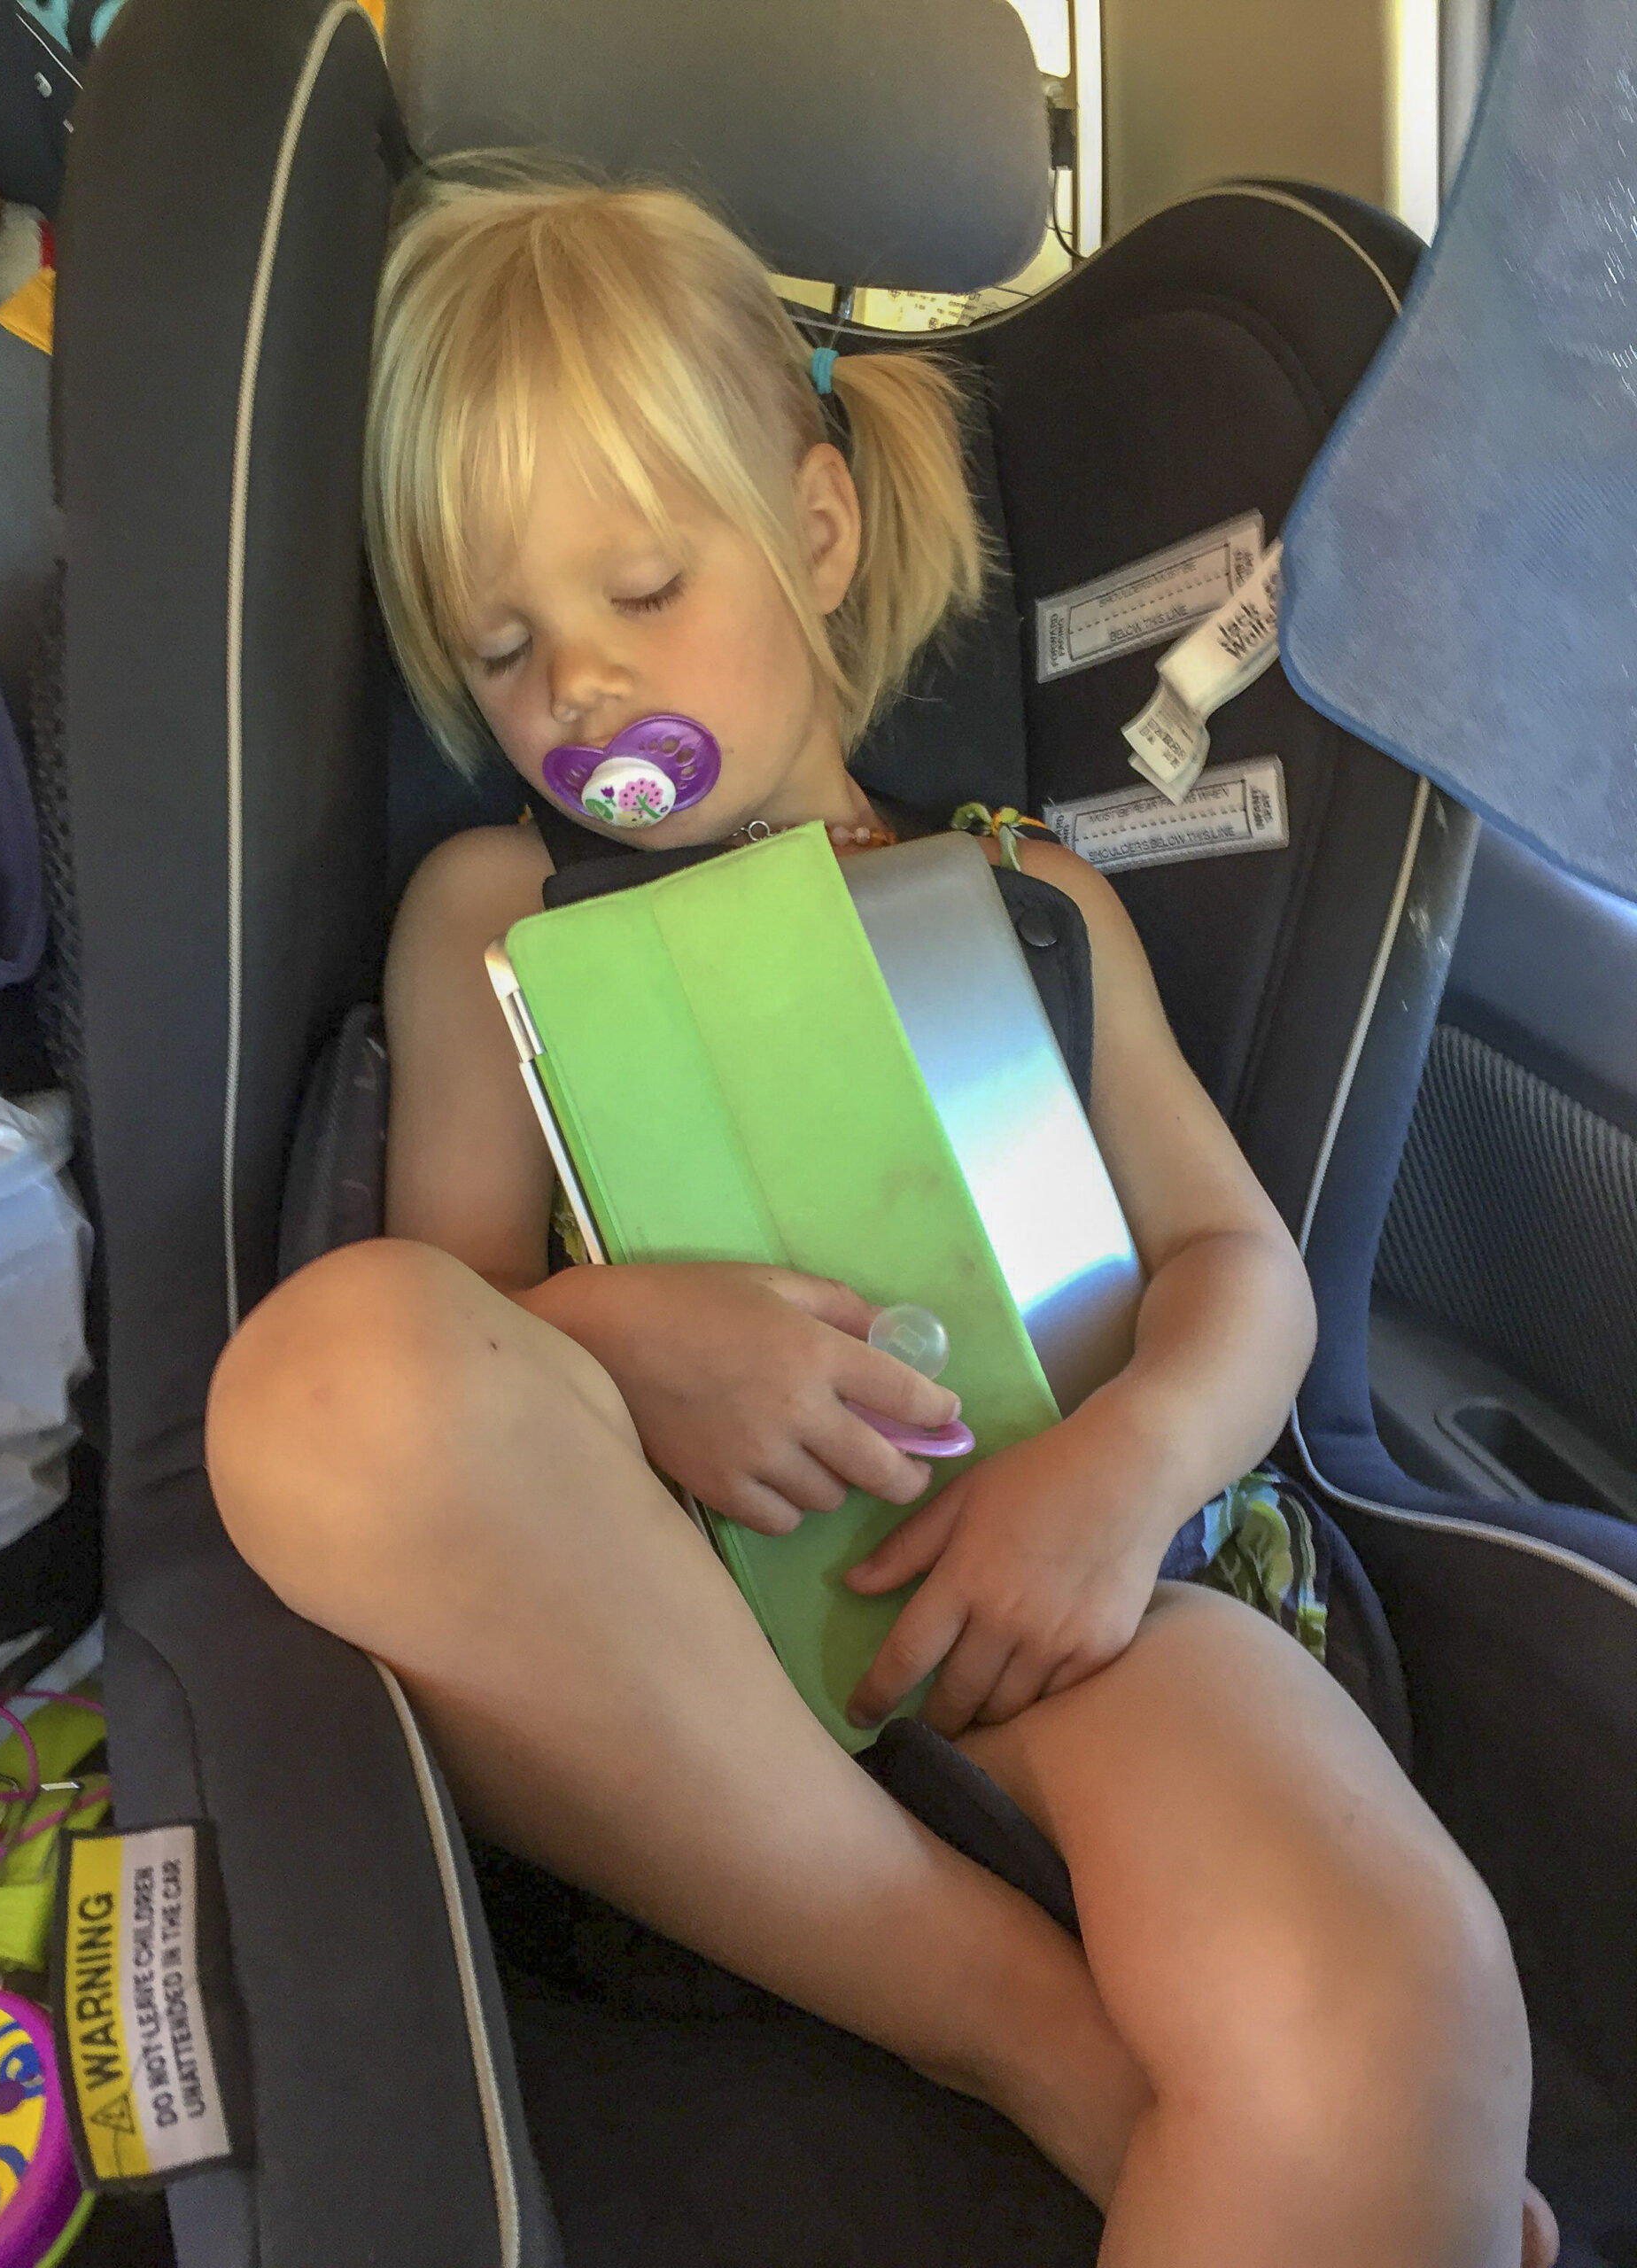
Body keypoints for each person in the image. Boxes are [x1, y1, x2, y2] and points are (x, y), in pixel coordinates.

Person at [206, 159, 1557, 2268]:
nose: (578, 687)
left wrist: (1120, 1471)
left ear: (815, 531)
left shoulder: (1032, 900)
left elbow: (1245, 1277)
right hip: (684, 1672)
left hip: (1072, 1610)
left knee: (1400, 1992)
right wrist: (617, 1338)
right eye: (506, 646)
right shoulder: (496, 915)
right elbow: (452, 1301)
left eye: (644, 588)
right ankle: (1017, 2027)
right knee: (323, 1377)